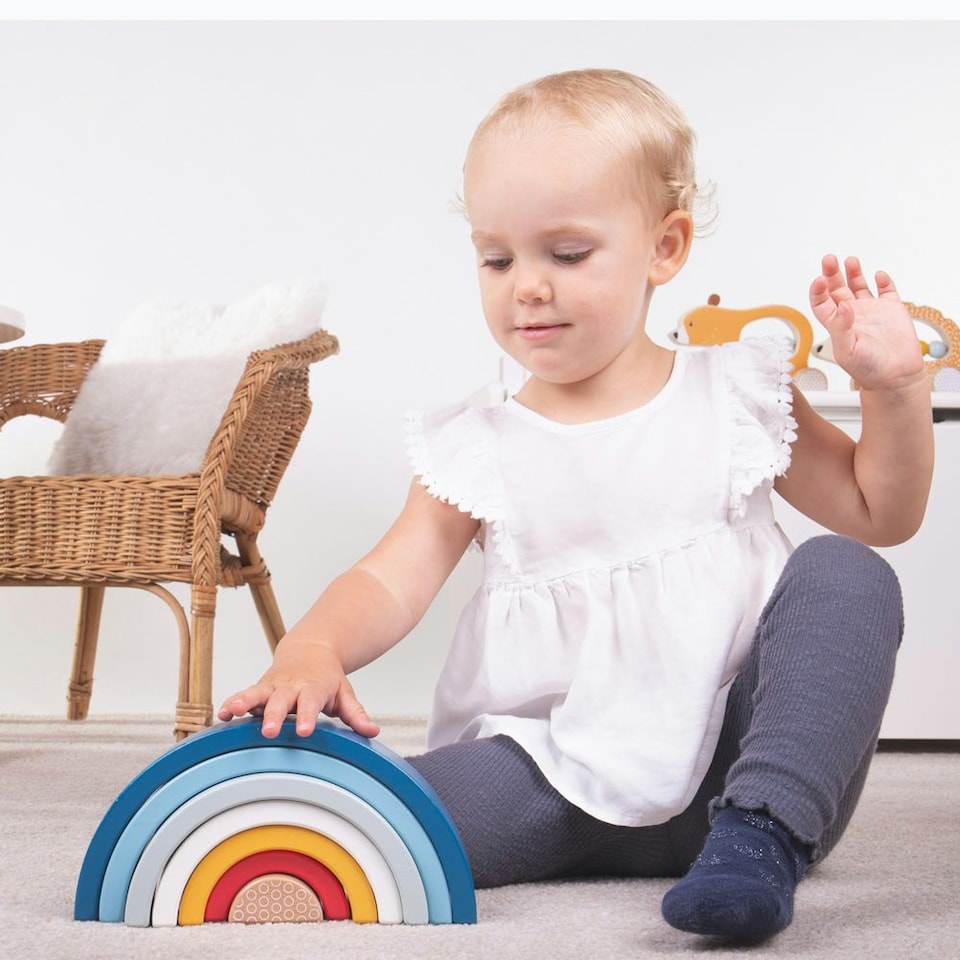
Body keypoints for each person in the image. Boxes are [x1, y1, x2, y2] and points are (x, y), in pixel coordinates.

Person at [218, 68, 934, 944]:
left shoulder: (735, 393)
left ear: (663, 249)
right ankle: (307, 794)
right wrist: (313, 646)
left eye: (565, 254)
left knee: (848, 574)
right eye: (497, 257)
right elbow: (389, 578)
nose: (526, 284)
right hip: (554, 770)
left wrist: (895, 393)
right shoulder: (477, 443)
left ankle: (764, 841)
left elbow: (879, 511)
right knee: (381, 816)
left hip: (743, 761)